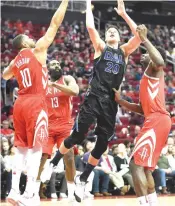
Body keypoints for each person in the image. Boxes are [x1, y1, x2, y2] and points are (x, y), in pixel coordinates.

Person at [41, 0, 141, 202]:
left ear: (120, 37)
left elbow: (139, 34)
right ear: (105, 37)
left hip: (111, 102)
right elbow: (89, 26)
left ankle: (83, 179)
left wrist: (123, 14)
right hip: (94, 96)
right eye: (109, 31)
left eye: (115, 31)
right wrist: (88, 4)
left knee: (103, 144)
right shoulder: (101, 47)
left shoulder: (124, 51)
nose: (112, 32)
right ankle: (54, 161)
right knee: (77, 137)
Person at [2, 0, 70, 205]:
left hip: (20, 104)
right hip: (35, 103)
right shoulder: (38, 50)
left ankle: (14, 191)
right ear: (24, 44)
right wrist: (65, 2)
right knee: (36, 149)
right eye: (28, 38)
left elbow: (5, 76)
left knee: (21, 149)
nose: (32, 38)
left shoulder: (15, 61)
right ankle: (30, 194)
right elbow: (54, 24)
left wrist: (16, 66)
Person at [113, 25, 172, 206]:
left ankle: (142, 204)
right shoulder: (146, 77)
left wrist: (145, 40)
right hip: (157, 119)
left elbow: (161, 62)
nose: (143, 54)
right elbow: (141, 108)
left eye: (146, 53)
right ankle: (152, 202)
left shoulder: (155, 69)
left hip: (156, 120)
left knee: (135, 165)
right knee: (145, 168)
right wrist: (121, 101)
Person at [38, 60, 79, 203]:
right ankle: (33, 191)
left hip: (65, 125)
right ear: (48, 70)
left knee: (69, 157)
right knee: (42, 157)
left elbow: (75, 91)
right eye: (53, 65)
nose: (57, 66)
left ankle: (72, 193)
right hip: (48, 125)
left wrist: (54, 84)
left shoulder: (67, 79)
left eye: (58, 64)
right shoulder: (42, 83)